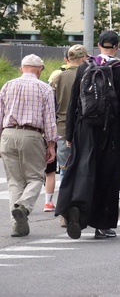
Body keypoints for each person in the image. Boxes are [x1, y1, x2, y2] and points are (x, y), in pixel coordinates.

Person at [57, 31, 120, 239]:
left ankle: (75, 208)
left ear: (98, 45)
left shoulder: (86, 66)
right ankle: (102, 224)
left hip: (84, 128)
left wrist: (69, 133)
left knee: (82, 170)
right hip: (110, 130)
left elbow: (74, 101)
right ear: (118, 46)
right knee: (107, 176)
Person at [0, 54, 56, 237]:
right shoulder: (44, 88)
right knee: (35, 178)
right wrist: (51, 143)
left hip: (8, 134)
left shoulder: (7, 85)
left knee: (14, 181)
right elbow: (49, 120)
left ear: (21, 68)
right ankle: (23, 206)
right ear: (39, 69)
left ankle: (18, 226)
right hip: (32, 135)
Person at [44, 45, 87, 216]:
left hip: (62, 128)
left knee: (66, 170)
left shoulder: (58, 76)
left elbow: (50, 104)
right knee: (84, 169)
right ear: (84, 58)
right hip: (85, 129)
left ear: (67, 59)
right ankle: (81, 207)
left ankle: (65, 211)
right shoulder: (89, 74)